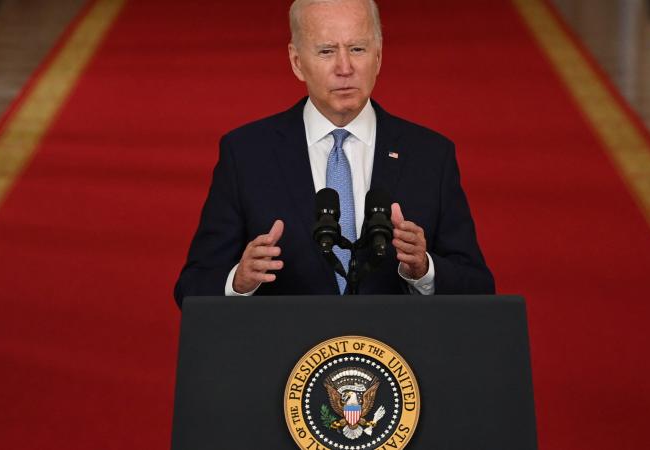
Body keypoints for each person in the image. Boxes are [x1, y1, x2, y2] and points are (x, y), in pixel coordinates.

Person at [174, 0, 493, 305]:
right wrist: (238, 281)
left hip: (397, 356)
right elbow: (192, 287)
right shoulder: (246, 154)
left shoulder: (430, 155)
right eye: (327, 51)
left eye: (357, 49)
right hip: (286, 356)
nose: (345, 67)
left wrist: (425, 271)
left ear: (378, 57)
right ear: (297, 61)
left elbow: (479, 287)